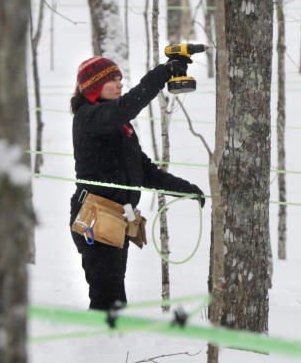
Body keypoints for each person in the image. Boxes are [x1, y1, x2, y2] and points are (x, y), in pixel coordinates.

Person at [69, 56, 206, 311]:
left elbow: (145, 172)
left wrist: (185, 189)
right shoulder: (89, 117)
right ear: (93, 86)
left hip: (116, 218)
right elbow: (127, 106)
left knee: (113, 300)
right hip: (94, 217)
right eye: (112, 80)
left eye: (120, 79)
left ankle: (109, 345)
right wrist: (163, 73)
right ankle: (100, 347)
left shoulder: (120, 125)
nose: (119, 84)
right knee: (108, 302)